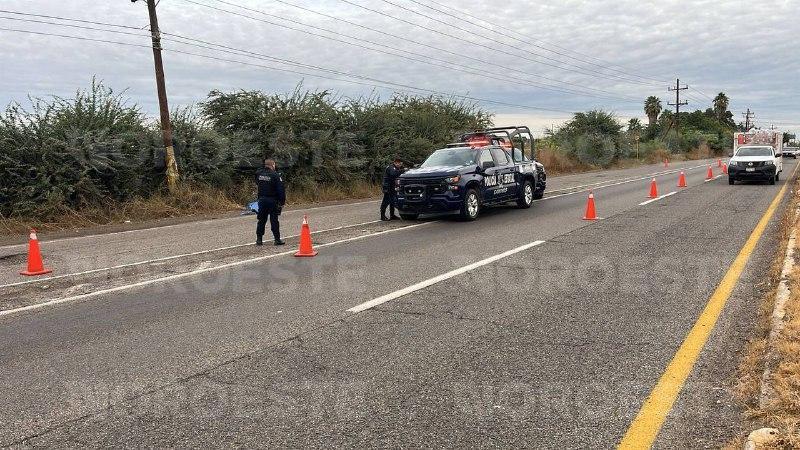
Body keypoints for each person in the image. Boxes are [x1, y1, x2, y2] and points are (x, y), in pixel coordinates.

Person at [255, 158, 286, 246]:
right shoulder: (275, 175)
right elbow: (281, 190)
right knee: (274, 220)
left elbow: (257, 180)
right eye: (274, 165)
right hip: (272, 201)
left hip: (262, 200)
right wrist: (282, 202)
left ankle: (259, 239)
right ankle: (277, 239)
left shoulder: (259, 174)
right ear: (273, 165)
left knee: (261, 220)